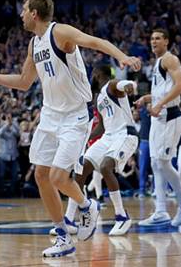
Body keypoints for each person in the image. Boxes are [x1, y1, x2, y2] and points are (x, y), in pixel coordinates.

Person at [0, 0, 141, 257]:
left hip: (74, 115)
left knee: (58, 177)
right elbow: (24, 82)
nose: (21, 15)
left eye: (24, 10)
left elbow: (95, 41)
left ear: (35, 13)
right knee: (40, 174)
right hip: (50, 114)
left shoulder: (59, 32)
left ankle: (87, 206)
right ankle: (62, 235)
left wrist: (122, 57)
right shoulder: (33, 44)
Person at [52, 65, 139, 237]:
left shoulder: (112, 85)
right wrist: (84, 140)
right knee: (81, 169)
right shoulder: (98, 98)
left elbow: (124, 85)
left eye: (93, 73)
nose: (91, 76)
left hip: (125, 135)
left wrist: (129, 86)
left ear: (99, 74)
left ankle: (122, 217)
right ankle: (69, 220)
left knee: (106, 167)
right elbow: (101, 126)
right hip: (109, 136)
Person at [136, 29, 181, 227]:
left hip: (170, 117)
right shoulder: (157, 63)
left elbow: (180, 86)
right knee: (156, 163)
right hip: (158, 119)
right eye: (151, 38)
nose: (154, 41)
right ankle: (160, 211)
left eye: (158, 38)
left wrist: (159, 104)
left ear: (166, 41)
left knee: (163, 161)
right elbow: (163, 91)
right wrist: (147, 99)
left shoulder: (170, 59)